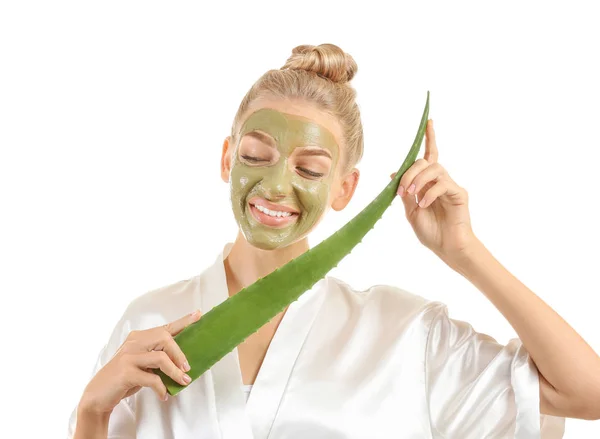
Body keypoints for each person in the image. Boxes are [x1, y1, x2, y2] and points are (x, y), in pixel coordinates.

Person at [67, 43, 598, 439]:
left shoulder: (401, 333)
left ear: (345, 188)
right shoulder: (151, 323)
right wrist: (92, 410)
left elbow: (584, 392)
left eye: (311, 167)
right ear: (227, 157)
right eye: (255, 155)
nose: (276, 186)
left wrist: (465, 252)